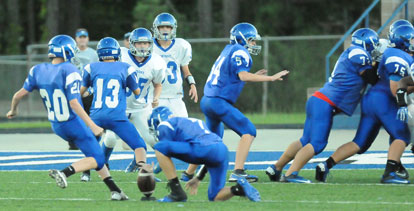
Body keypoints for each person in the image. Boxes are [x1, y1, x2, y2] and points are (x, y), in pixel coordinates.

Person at [6, 35, 128, 200]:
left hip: (57, 125)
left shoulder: (37, 70)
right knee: (98, 158)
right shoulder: (70, 70)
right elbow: (75, 104)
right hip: (73, 123)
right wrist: (92, 126)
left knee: (93, 154)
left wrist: (13, 110)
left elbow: (17, 95)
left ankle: (116, 191)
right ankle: (65, 173)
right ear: (67, 51)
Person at [266, 28, 380, 183]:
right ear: (368, 43)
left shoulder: (352, 52)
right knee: (318, 143)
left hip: (319, 99)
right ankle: (291, 174)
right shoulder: (358, 54)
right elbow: (372, 78)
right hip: (326, 102)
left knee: (305, 140)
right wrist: (378, 63)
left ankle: (276, 168)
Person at [314, 22, 414, 184]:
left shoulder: (391, 51)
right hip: (384, 100)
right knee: (401, 135)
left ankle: (325, 165)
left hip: (371, 98)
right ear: (404, 40)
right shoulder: (398, 56)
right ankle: (390, 173)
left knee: (360, 143)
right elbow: (396, 90)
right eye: (412, 39)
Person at [201, 22, 289, 182]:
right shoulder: (240, 51)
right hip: (218, 102)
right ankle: (238, 171)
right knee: (248, 131)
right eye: (251, 40)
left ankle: (188, 173)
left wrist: (253, 74)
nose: (254, 44)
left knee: (211, 137)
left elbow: (230, 77)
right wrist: (270, 78)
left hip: (207, 100)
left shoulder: (227, 49)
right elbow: (242, 76)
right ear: (241, 39)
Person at [148, 106, 260, 202]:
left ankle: (176, 192)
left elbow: (163, 150)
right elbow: (209, 151)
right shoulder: (192, 122)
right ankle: (239, 189)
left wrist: (153, 171)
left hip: (203, 149)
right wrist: (199, 178)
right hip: (221, 150)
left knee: (159, 147)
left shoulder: (165, 124)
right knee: (215, 196)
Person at [80, 37, 150, 175]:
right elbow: (137, 92)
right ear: (117, 52)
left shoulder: (91, 67)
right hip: (117, 117)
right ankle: (144, 173)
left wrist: (92, 90)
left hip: (97, 116)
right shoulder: (126, 68)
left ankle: (85, 173)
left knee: (90, 146)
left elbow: (81, 93)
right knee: (140, 146)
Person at [100, 28, 165, 172]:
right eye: (139, 43)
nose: (143, 46)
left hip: (140, 108)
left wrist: (156, 97)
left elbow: (158, 84)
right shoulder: (121, 55)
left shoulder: (157, 61)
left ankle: (149, 171)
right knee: (110, 138)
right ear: (131, 44)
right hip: (118, 106)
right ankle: (102, 165)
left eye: (146, 43)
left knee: (153, 141)